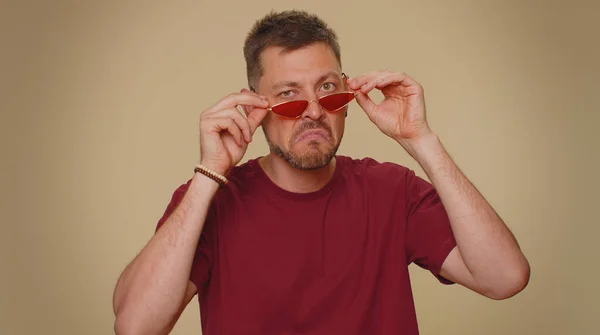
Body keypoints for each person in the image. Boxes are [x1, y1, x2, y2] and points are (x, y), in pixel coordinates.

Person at [112, 10, 530, 335]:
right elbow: (136, 325)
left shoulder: (390, 191)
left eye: (328, 90)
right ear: (256, 105)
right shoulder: (212, 200)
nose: (313, 111)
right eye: (289, 96)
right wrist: (208, 175)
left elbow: (505, 278)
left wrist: (420, 139)